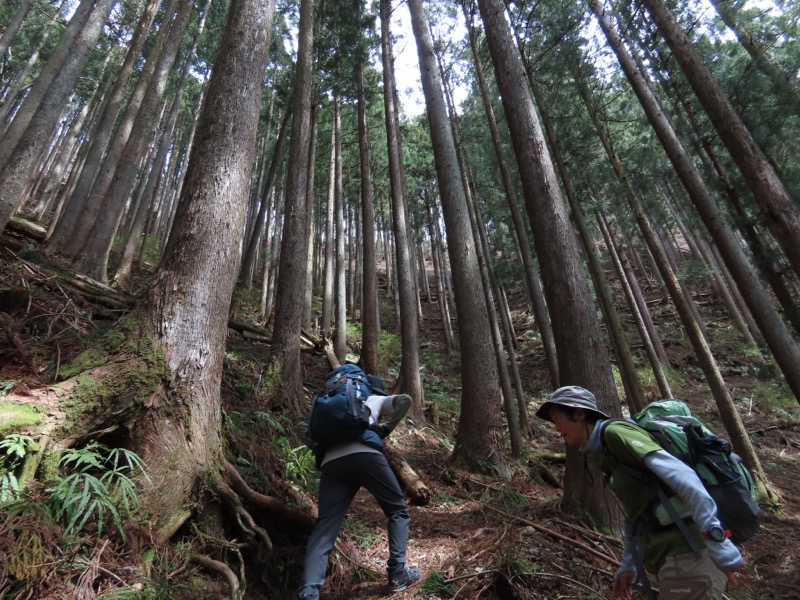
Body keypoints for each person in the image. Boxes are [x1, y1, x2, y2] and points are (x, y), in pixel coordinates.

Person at [535, 386, 743, 600]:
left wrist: (716, 539)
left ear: (579, 414)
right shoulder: (604, 453)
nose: (556, 428)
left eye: (556, 419)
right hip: (672, 560)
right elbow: (636, 514)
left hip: (690, 555)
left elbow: (685, 478)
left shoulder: (615, 434)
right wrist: (629, 564)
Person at [296, 374, 420, 599]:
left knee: (324, 529)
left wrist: (318, 447)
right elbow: (405, 400)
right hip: (367, 456)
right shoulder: (373, 400)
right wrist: (384, 430)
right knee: (398, 511)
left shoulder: (330, 404)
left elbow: (301, 426)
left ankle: (308, 592)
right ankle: (397, 574)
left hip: (332, 463)